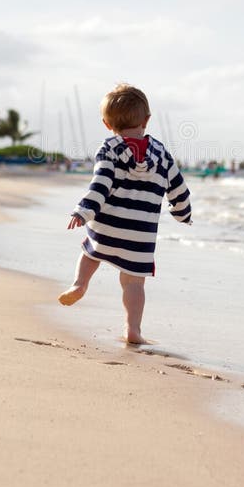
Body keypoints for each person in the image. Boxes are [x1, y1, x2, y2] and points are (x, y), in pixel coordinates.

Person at [59, 83, 192, 345]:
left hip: (108, 226)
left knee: (90, 252)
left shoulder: (109, 148)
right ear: (147, 120)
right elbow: (178, 187)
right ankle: (133, 329)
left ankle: (80, 284)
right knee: (134, 284)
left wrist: (84, 211)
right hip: (139, 237)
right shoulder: (162, 153)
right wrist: (183, 212)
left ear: (107, 125)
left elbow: (101, 183)